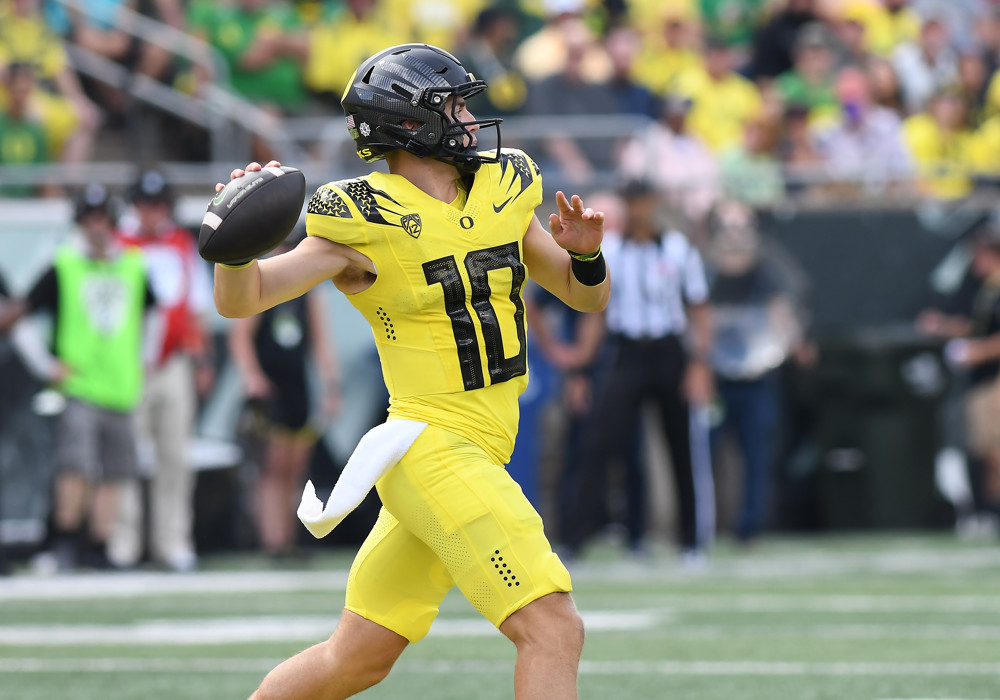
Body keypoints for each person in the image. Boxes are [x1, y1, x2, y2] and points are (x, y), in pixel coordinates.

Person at [212, 43, 609, 699]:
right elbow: (246, 298)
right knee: (553, 626)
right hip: (435, 449)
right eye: (453, 106)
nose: (471, 120)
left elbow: (582, 295)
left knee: (356, 658)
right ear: (407, 123)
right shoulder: (361, 216)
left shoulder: (503, 186)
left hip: (474, 449)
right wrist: (233, 250)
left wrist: (589, 258)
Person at [0, 184, 157, 571]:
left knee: (115, 472)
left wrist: (145, 360)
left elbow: (155, 311)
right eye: (90, 218)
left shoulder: (133, 263)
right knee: (77, 469)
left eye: (102, 217)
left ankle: (99, 545)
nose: (97, 226)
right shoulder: (64, 263)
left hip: (121, 386)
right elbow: (21, 316)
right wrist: (46, 365)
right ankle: (66, 540)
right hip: (79, 386)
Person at [560, 179, 715, 564]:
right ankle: (575, 537)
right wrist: (580, 368)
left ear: (656, 203)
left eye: (645, 201)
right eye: (633, 202)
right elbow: (595, 311)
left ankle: (691, 540)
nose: (640, 210)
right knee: (599, 442)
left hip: (669, 351)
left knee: (681, 446)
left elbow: (699, 310)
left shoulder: (678, 250)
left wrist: (699, 364)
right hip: (627, 351)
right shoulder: (610, 249)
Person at [108, 169, 214, 572]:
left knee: (175, 455)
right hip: (127, 365)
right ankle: (123, 542)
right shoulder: (120, 245)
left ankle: (173, 542)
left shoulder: (182, 244)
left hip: (173, 363)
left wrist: (202, 359)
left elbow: (197, 307)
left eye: (159, 205)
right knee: (124, 456)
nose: (152, 212)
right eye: (145, 204)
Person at [228, 231, 342, 560]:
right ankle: (272, 540)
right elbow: (241, 338)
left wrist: (331, 386)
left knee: (295, 466)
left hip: (298, 388)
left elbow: (321, 343)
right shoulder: (264, 283)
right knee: (273, 467)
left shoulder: (309, 293)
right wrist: (252, 377)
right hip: (271, 387)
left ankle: (289, 538)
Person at [704, 200, 804, 545]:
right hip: (713, 378)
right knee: (704, 453)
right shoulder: (704, 270)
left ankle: (749, 527)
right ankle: (701, 526)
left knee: (757, 454)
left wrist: (793, 340)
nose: (735, 238)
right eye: (728, 230)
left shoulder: (770, 269)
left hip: (757, 377)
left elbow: (784, 311)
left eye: (742, 230)